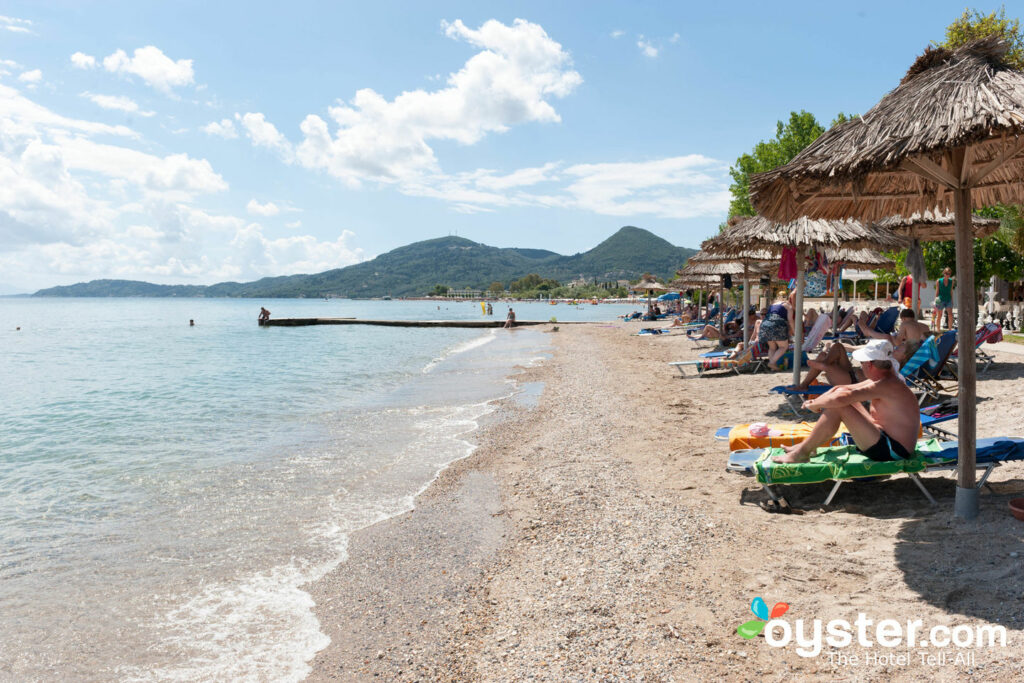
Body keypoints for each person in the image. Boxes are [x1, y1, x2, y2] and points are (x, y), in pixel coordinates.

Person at [773, 340, 921, 464]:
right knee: (842, 402)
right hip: (887, 440)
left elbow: (840, 398)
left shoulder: (887, 384)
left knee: (839, 406)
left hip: (893, 451)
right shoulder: (885, 380)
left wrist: (815, 405)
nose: (861, 367)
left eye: (862, 364)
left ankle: (801, 453)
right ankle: (807, 446)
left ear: (869, 364)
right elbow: (841, 389)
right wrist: (817, 401)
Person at [862, 308, 929, 364]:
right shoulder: (925, 326)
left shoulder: (905, 324)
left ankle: (869, 332)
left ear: (903, 318)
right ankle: (869, 332)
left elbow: (897, 343)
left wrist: (892, 336)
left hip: (910, 355)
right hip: (923, 355)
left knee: (887, 338)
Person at [758, 289, 794, 371]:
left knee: (772, 347)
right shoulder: (788, 305)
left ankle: (772, 367)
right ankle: (772, 362)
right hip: (777, 325)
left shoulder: (772, 305)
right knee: (784, 346)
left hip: (765, 325)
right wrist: (794, 330)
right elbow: (790, 320)